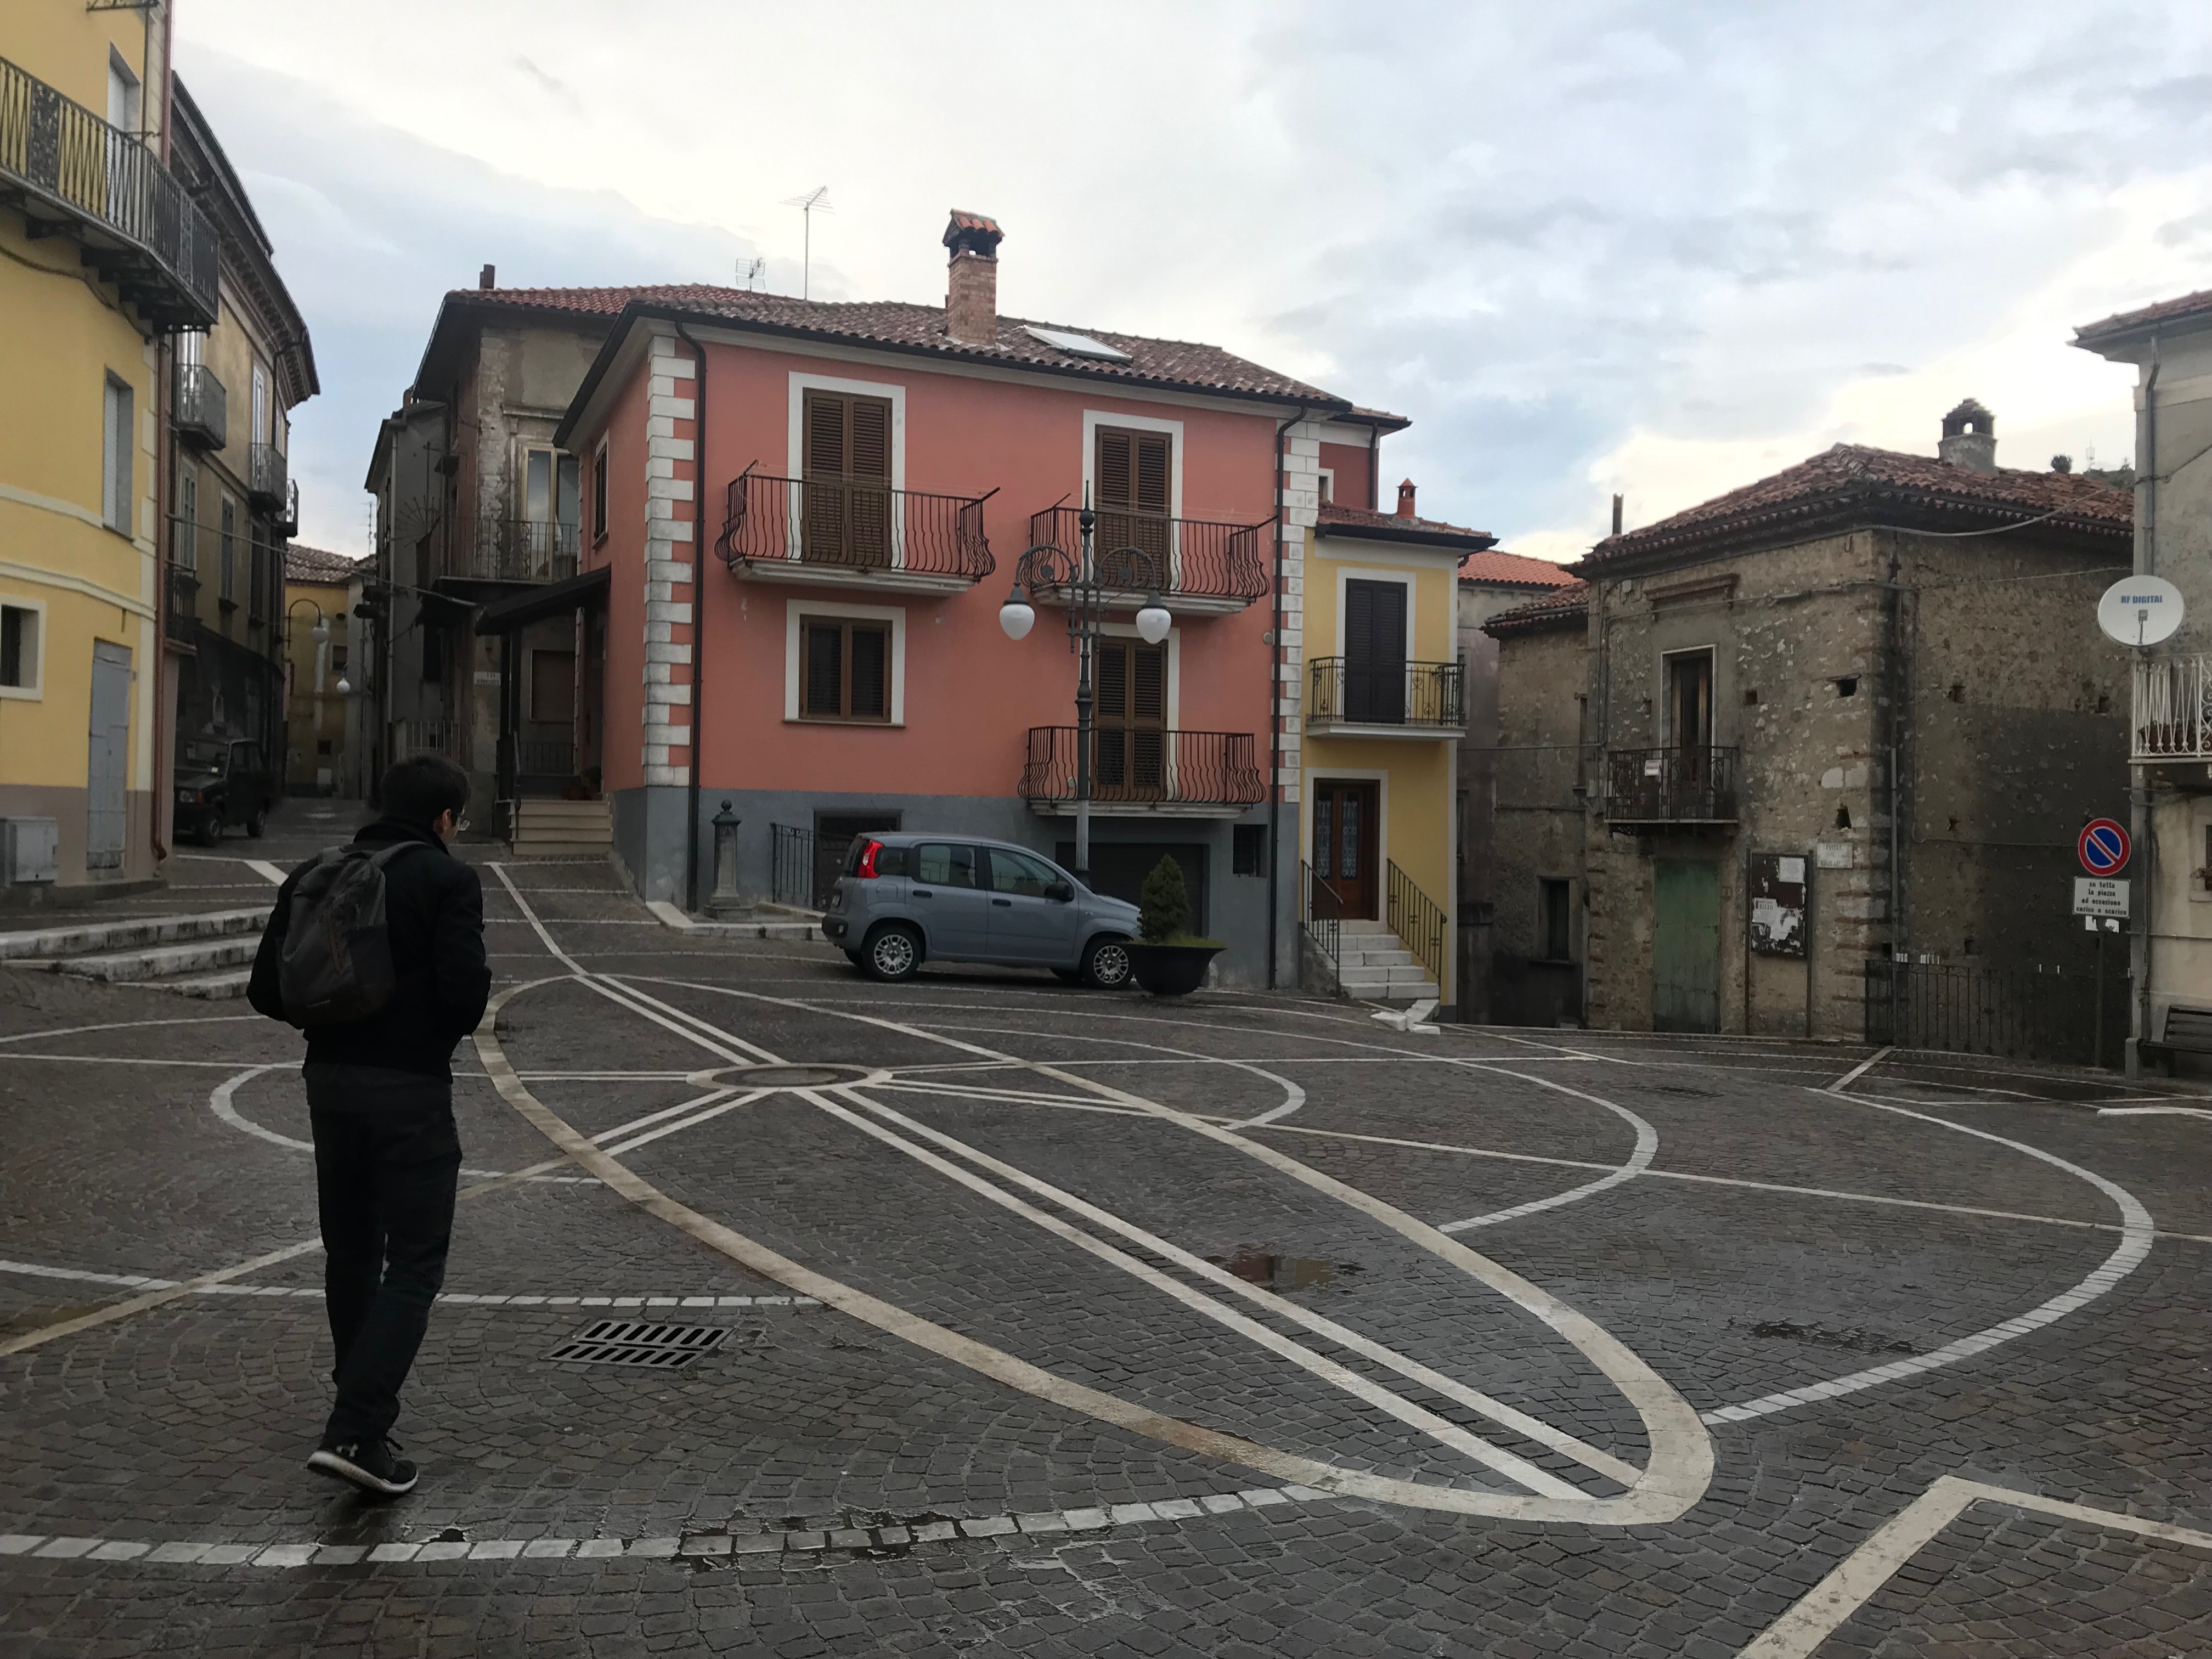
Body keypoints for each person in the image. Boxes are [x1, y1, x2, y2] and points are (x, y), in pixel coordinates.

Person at [247, 754, 490, 1497]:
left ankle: (361, 1419)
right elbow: (464, 1000)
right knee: (415, 1264)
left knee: (351, 1254)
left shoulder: (314, 873)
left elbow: (265, 990)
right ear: (444, 818)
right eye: (458, 819)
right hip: (409, 1092)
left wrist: (336, 1018)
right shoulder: (447, 880)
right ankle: (355, 1428)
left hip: (328, 1086)